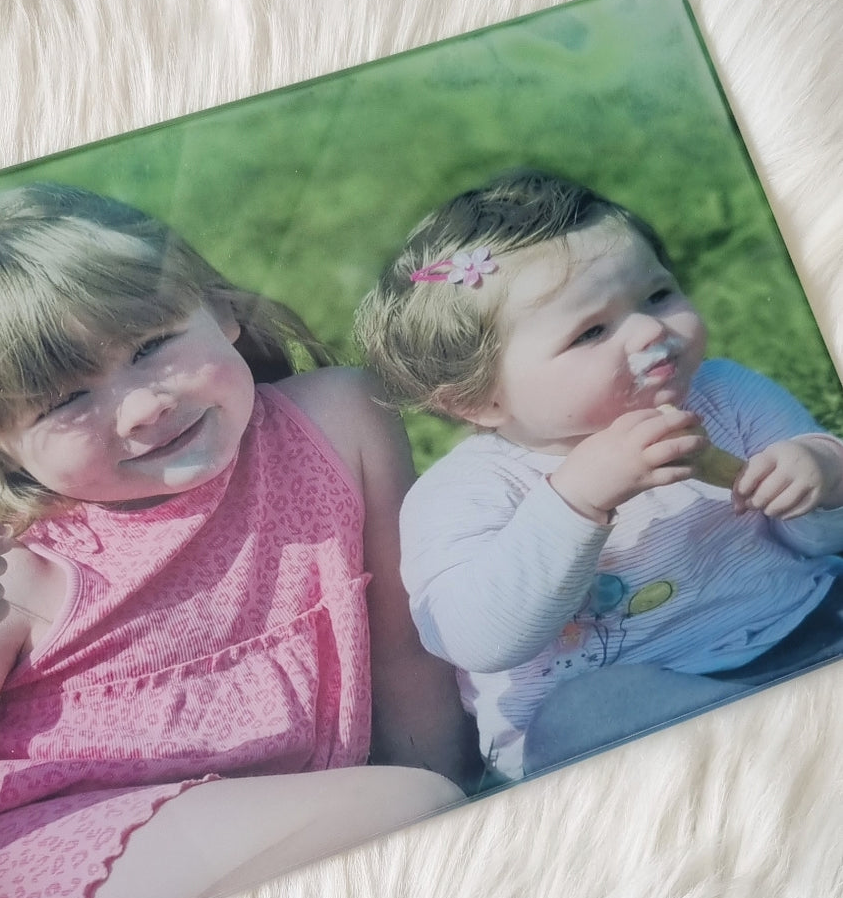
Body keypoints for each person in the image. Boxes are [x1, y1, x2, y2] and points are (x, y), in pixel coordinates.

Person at [0, 183, 477, 898]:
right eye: (68, 399)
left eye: (150, 344)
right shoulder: (8, 576)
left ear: (223, 310)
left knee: (423, 820)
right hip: (40, 879)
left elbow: (403, 655)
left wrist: (477, 799)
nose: (143, 406)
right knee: (404, 813)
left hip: (275, 831)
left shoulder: (339, 420)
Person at [354, 167, 843, 782]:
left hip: (802, 628)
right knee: (589, 712)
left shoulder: (725, 395)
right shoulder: (464, 492)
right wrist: (576, 500)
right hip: (625, 705)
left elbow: (824, 542)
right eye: (591, 332)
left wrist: (822, 473)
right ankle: (766, 758)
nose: (650, 331)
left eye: (657, 296)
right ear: (479, 401)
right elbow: (475, 638)